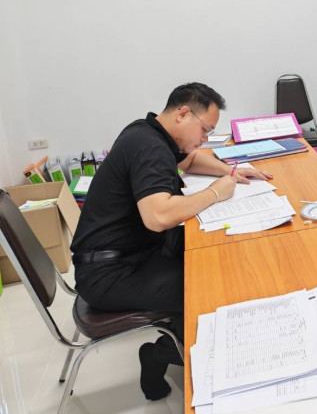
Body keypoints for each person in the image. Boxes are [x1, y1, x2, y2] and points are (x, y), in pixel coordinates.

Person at [70, 82, 271, 400]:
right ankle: (161, 354)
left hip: (130, 252)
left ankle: (186, 337)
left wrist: (230, 172)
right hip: (109, 273)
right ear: (183, 114)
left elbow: (188, 161)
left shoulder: (146, 132)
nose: (204, 140)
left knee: (213, 261)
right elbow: (158, 216)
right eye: (205, 130)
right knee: (207, 290)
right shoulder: (149, 148)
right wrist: (216, 192)